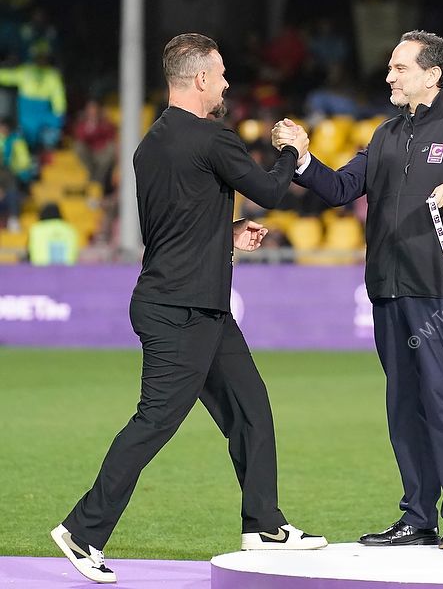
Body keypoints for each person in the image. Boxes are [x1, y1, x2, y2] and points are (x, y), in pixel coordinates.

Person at [51, 33, 326, 585]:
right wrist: (293, 151)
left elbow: (171, 228)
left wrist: (227, 233)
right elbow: (272, 192)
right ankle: (82, 531)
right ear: (200, 79)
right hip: (183, 310)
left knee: (250, 409)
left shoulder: (149, 144)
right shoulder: (213, 138)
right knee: (155, 421)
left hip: (190, 305)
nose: (226, 84)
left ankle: (264, 524)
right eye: (220, 75)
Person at [273, 30, 443, 549]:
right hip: (387, 289)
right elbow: (341, 188)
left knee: (442, 397)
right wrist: (303, 158)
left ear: (432, 75)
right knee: (403, 404)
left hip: (439, 289)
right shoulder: (385, 133)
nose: (388, 76)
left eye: (399, 67)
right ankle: (417, 517)